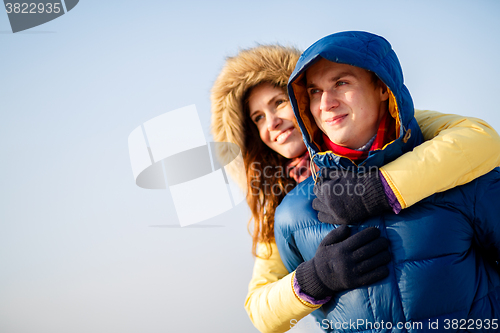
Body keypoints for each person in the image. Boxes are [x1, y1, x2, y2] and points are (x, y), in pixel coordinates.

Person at [210, 44, 500, 333]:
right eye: (258, 117)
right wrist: (315, 279)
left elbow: (478, 139)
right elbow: (262, 310)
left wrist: (379, 188)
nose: (271, 122)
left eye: (278, 103)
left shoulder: (398, 127)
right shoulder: (282, 203)